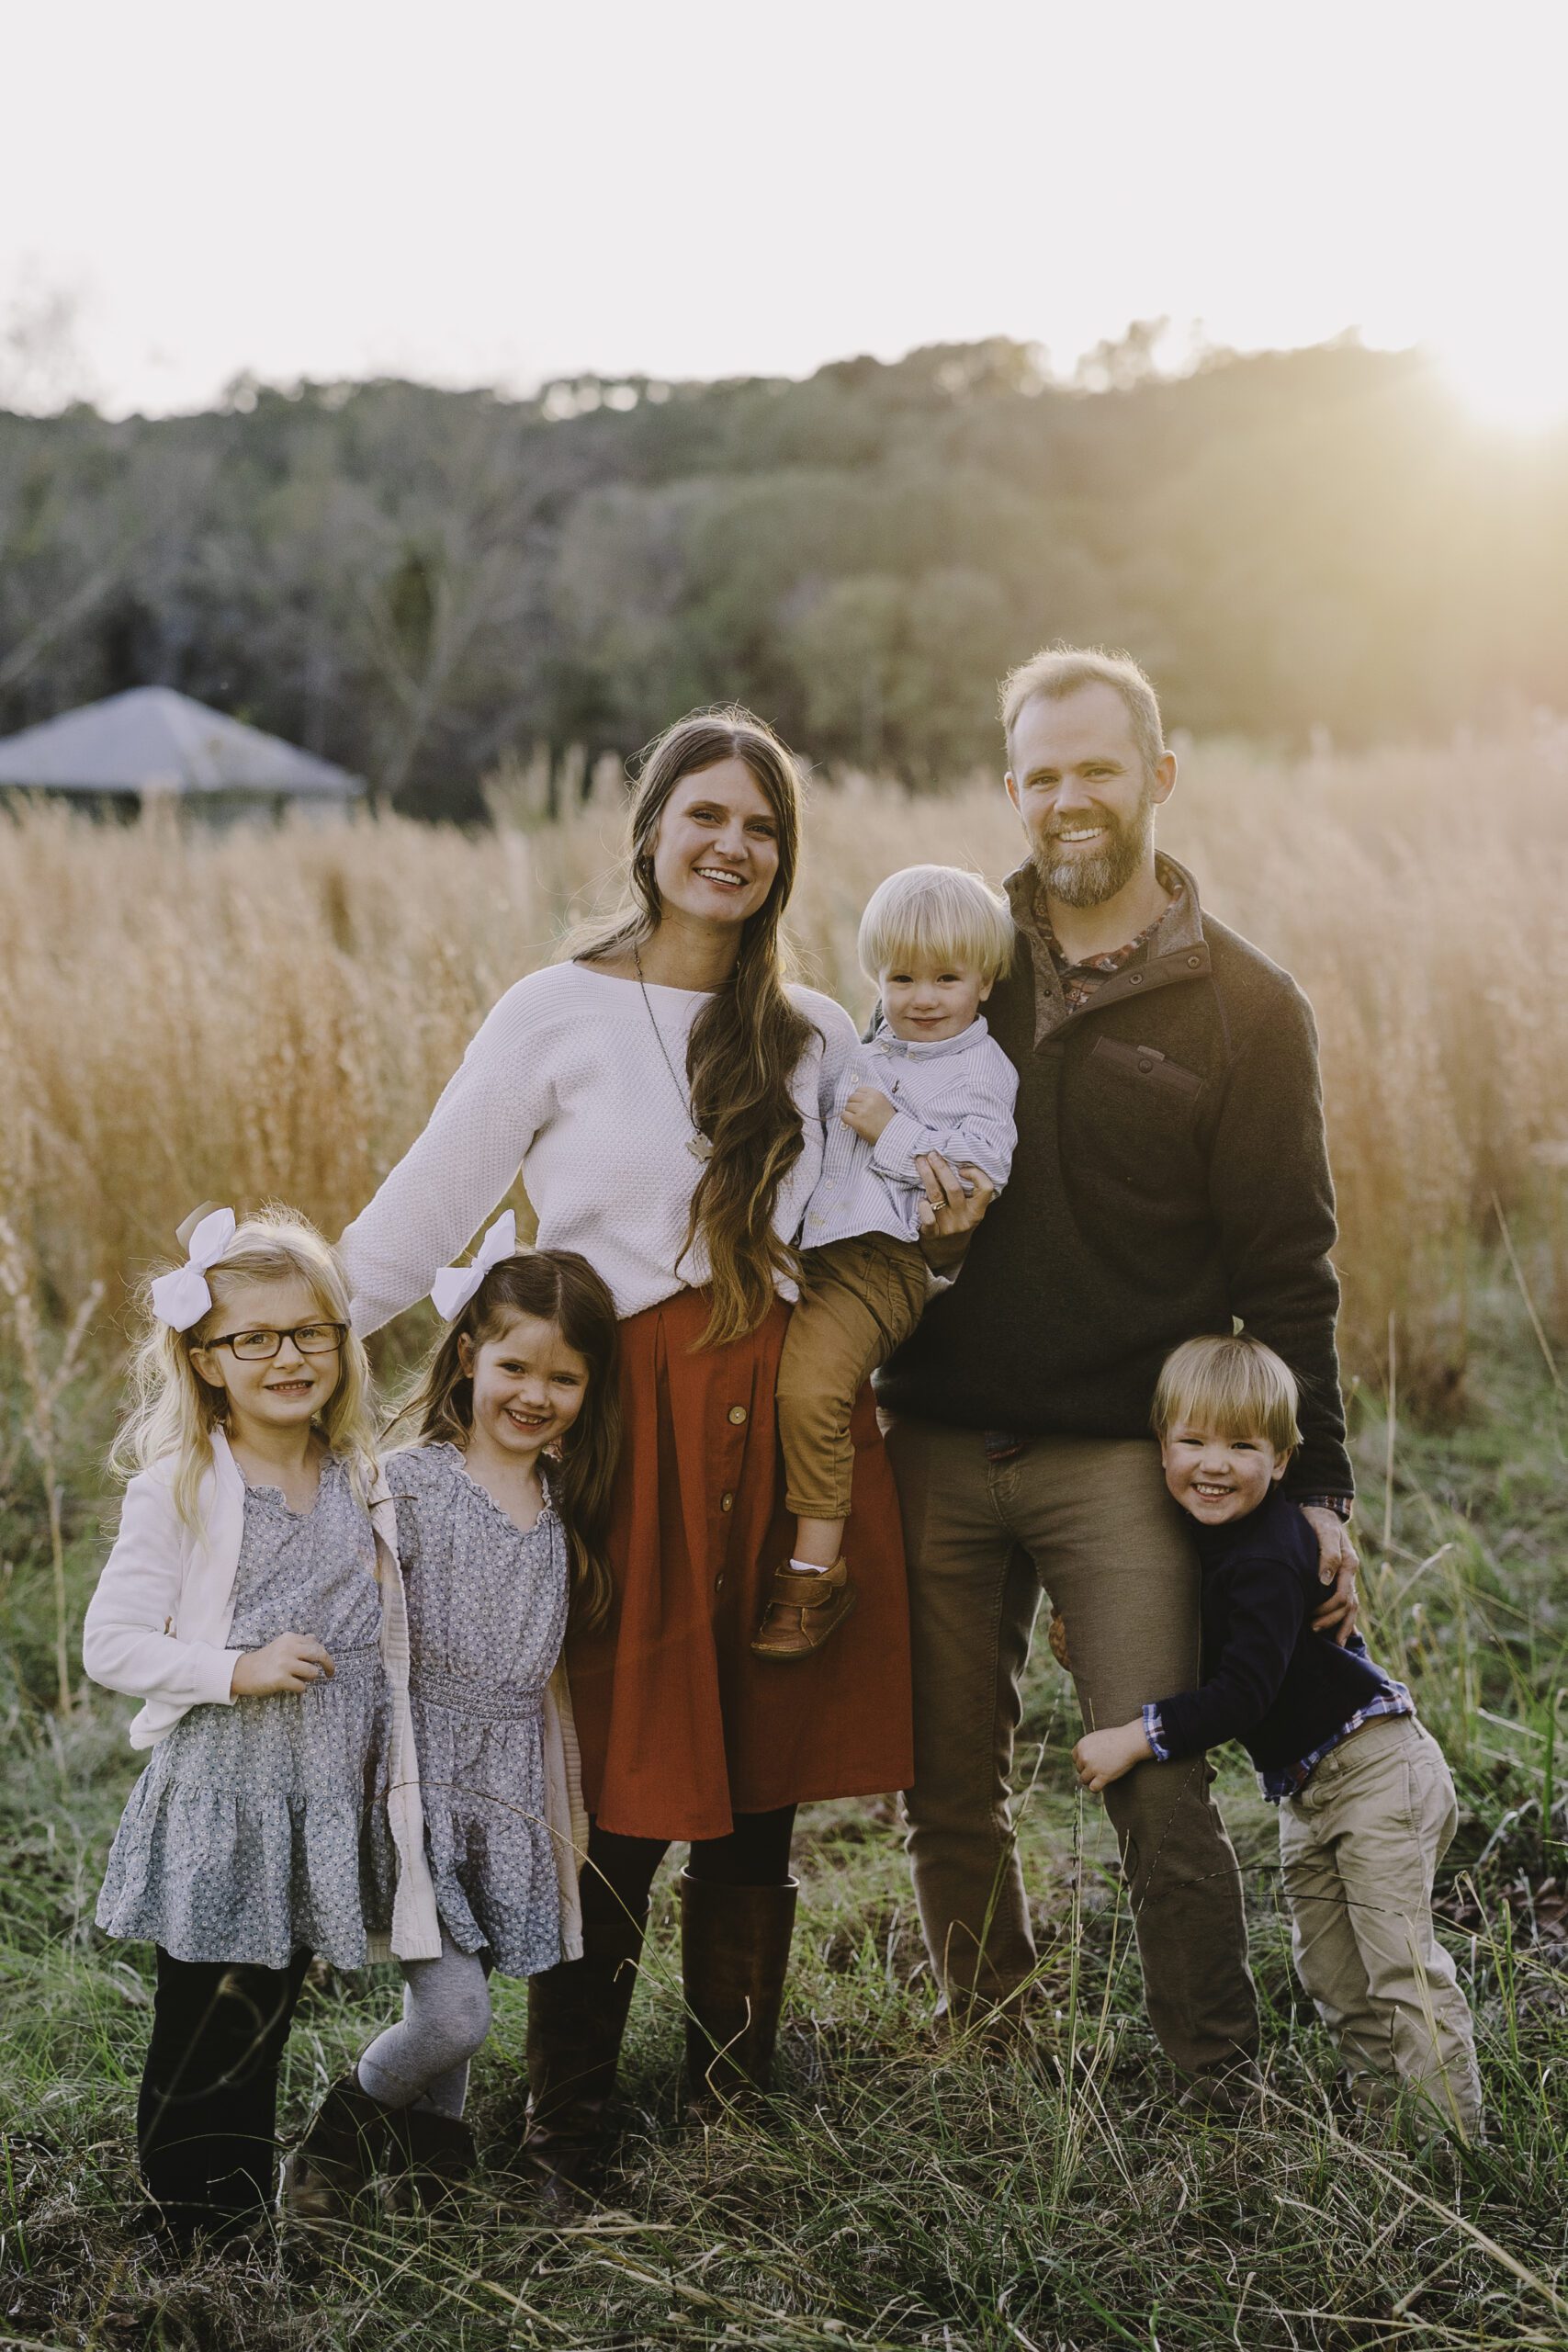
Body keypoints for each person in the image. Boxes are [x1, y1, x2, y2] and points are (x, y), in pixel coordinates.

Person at [338, 705, 932, 2195]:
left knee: (761, 1778)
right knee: (609, 1787)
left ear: (784, 857)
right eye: (705, 815)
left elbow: (878, 1225)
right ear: (651, 830)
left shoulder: (813, 1035)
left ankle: (731, 2112)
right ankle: (570, 2136)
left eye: (762, 826)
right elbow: (425, 1211)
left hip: (778, 1427)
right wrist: (280, 1338)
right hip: (620, 1431)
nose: (732, 845)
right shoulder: (555, 1009)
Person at [877, 645, 1359, 2107]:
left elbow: (1288, 1268)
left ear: (1156, 775)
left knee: (1154, 1769)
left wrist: (1320, 1489)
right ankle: (993, 2042)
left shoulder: (1245, 1007)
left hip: (1116, 1455)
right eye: (1040, 775)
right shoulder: (955, 965)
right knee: (942, 1782)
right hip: (934, 1437)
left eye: (1095, 768)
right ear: (1008, 791)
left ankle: (1212, 2079)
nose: (1067, 798)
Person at [83, 1206, 440, 2256]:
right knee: (204, 2025)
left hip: (313, 1800)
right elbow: (110, 1643)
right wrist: (233, 1669)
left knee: (265, 2015)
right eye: (254, 1338)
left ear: (343, 1341)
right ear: (205, 1361)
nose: (289, 1356)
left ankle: (239, 2219)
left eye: (311, 1331)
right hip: (224, 1799)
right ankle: (189, 2233)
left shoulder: (359, 1477)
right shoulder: (185, 1486)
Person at [1074, 1334, 1482, 2139]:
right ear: (1160, 1446)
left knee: (1398, 1968)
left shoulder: (1266, 1552)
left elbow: (1243, 1695)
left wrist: (1137, 1737)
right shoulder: (1205, 1537)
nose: (1213, 1464)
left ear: (1283, 1459)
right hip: (1309, 1789)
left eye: (1241, 1446)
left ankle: (1453, 2150)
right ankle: (1387, 2126)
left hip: (1376, 1772)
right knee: (1331, 1972)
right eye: (1192, 1441)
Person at [286, 1235, 617, 2213]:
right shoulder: (409, 1486)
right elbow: (345, 1617)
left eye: (564, 1378)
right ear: (468, 1353)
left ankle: (429, 2183)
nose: (535, 1394)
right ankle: (328, 2150)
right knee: (456, 2015)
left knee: (451, 1988)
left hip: (505, 1782)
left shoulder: (568, 1498)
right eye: (515, 1366)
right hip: (415, 1779)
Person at [754, 865, 1018, 1659]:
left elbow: (977, 1174)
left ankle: (816, 1573)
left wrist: (890, 1130)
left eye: (946, 978)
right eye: (901, 978)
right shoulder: (866, 1050)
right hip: (815, 1252)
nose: (922, 998)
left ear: (984, 981)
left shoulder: (982, 1071)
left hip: (885, 1265)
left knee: (810, 1392)